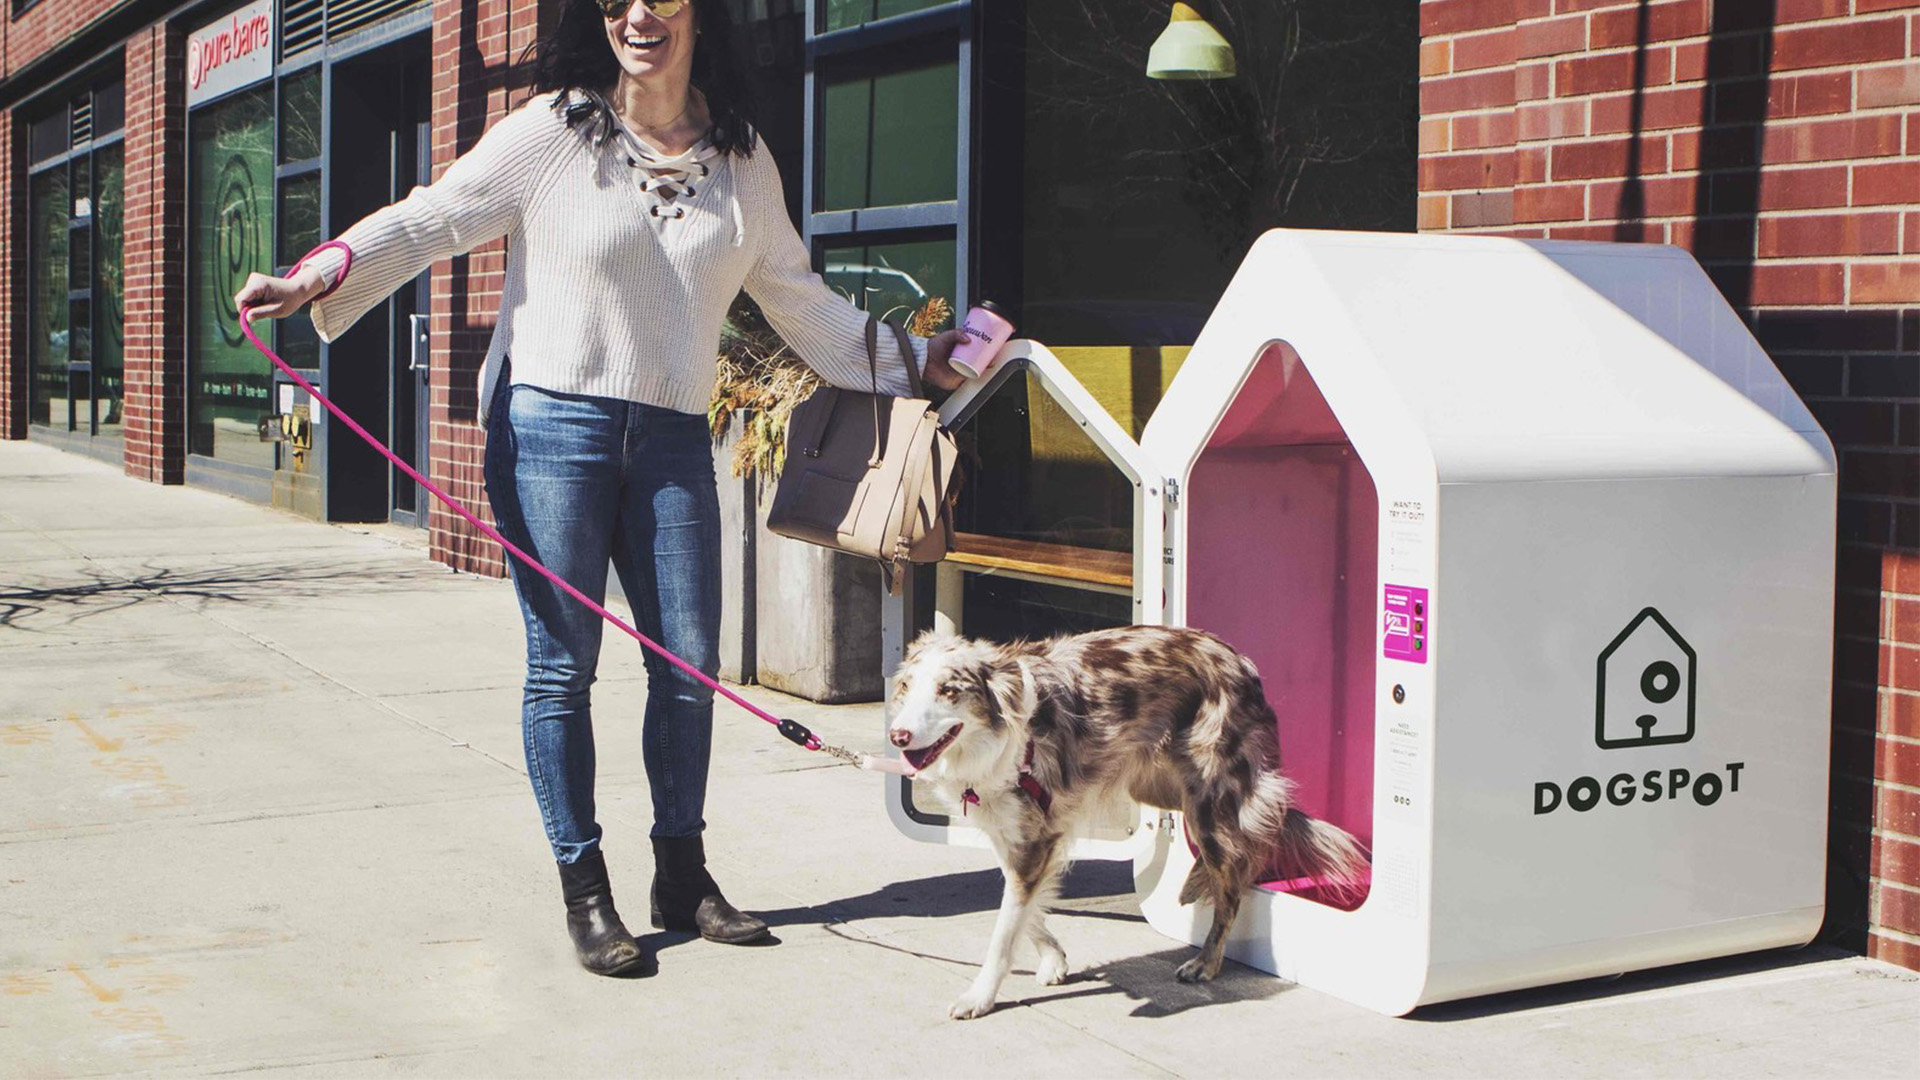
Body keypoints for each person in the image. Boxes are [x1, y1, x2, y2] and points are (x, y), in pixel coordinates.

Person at [236, 0, 967, 978]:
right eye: (616, 0)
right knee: (563, 667)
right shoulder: (553, 133)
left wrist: (918, 361)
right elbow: (433, 216)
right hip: (550, 428)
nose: (637, 15)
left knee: (689, 662)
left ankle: (681, 873)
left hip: (669, 436)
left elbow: (804, 304)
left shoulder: (741, 163)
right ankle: (587, 888)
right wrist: (316, 273)